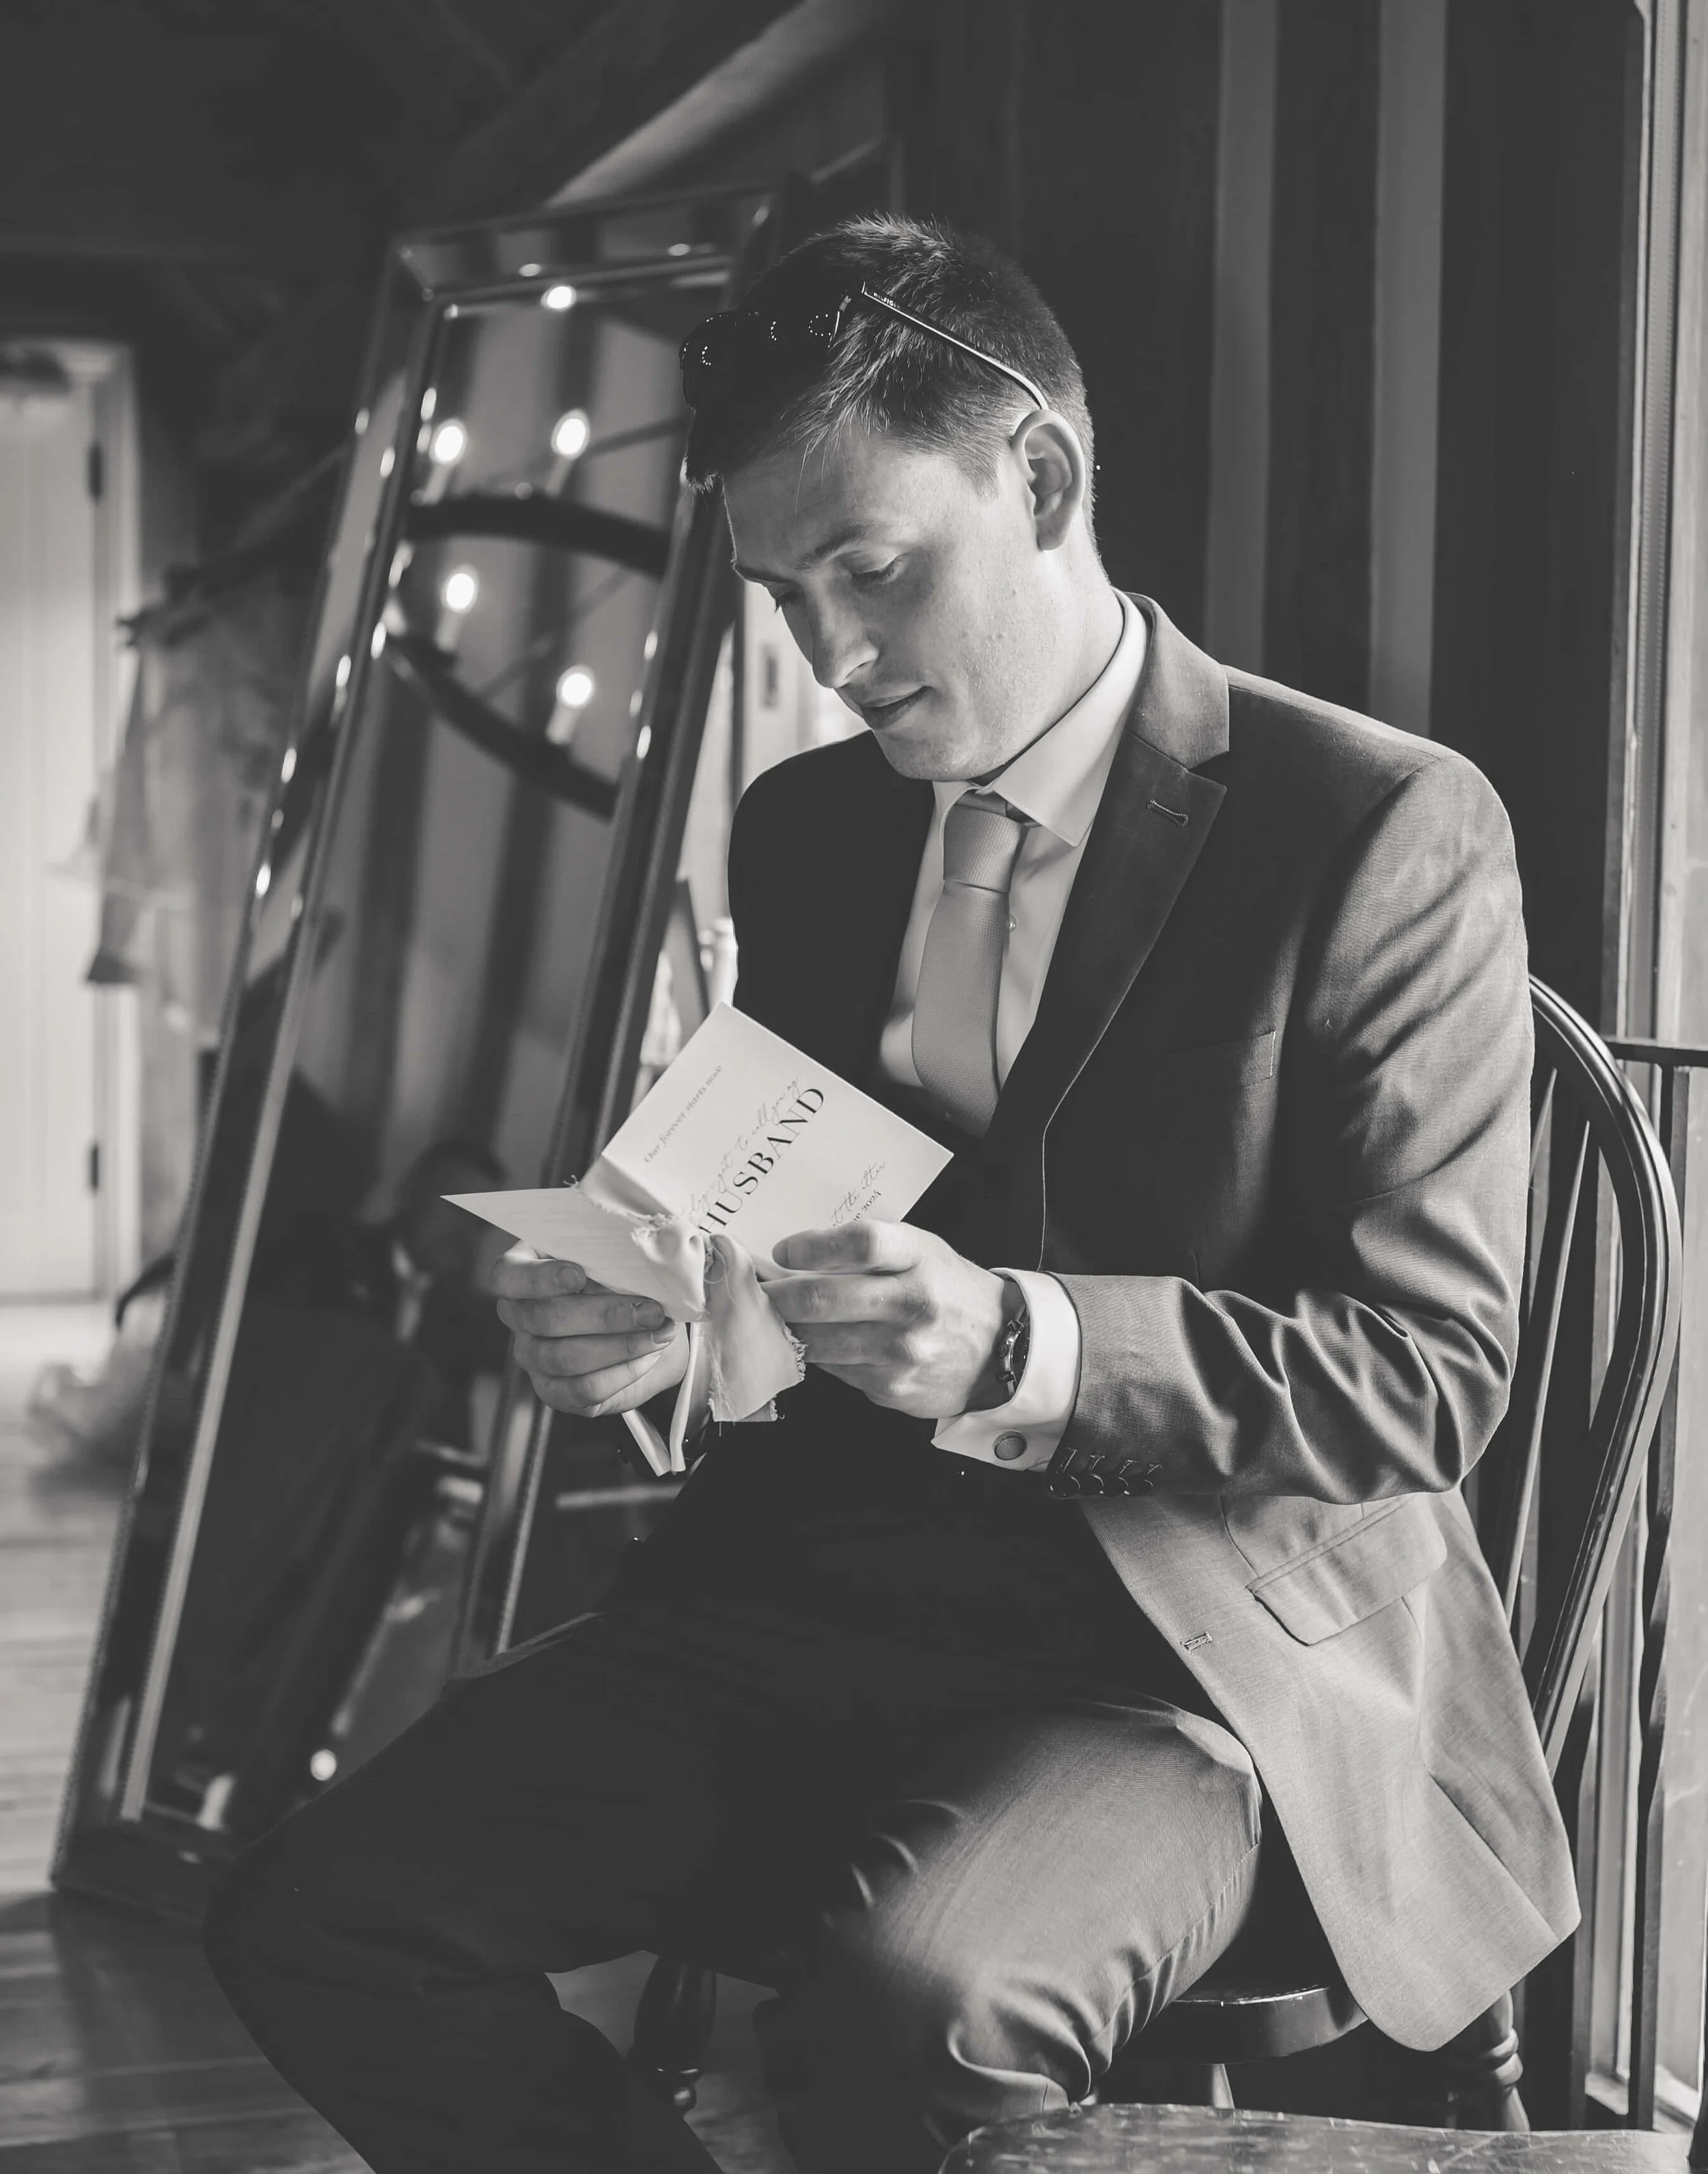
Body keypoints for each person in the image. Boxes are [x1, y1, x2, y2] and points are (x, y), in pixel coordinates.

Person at [205, 215, 1577, 2174]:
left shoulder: (1371, 823)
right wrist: (654, 1329)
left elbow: (1422, 1370)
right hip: (803, 1593)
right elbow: (767, 1200)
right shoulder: (810, 828)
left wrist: (1016, 1338)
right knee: (315, 1912)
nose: (834, 656)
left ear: (1036, 476)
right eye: (783, 596)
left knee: (899, 2014)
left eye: (873, 567)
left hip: (1187, 1666)